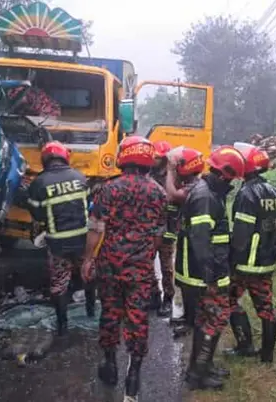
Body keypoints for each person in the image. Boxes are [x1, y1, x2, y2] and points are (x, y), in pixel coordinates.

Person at [81, 136, 167, 401]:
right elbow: (158, 234)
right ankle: (134, 375)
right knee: (138, 318)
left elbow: (95, 229)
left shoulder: (108, 189)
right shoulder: (159, 193)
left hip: (110, 265)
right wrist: (145, 255)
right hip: (140, 268)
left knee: (110, 314)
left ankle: (110, 364)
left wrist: (87, 259)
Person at [179, 146, 245, 390]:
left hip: (210, 270)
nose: (231, 184)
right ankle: (198, 375)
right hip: (207, 273)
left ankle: (202, 366)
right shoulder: (206, 197)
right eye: (231, 179)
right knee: (214, 321)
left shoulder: (209, 193)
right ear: (224, 174)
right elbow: (200, 240)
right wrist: (211, 277)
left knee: (205, 321)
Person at [20, 141, 89, 336]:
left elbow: (37, 214)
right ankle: (92, 310)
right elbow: (87, 205)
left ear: (45, 160)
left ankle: (62, 326)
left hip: (57, 243)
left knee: (59, 283)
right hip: (83, 240)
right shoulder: (80, 177)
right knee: (88, 274)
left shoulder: (39, 183)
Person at [223, 143, 276, 363]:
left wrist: (230, 261)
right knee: (266, 307)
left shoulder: (246, 194)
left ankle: (245, 345)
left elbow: (240, 236)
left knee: (229, 301)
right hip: (266, 262)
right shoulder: (275, 192)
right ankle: (267, 355)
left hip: (245, 264)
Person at [165, 147, 207, 337]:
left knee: (191, 283)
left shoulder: (194, 186)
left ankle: (193, 322)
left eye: (180, 164)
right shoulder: (191, 182)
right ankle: (188, 317)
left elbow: (172, 195)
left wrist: (170, 170)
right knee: (184, 281)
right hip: (186, 238)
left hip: (193, 241)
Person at [150, 140, 176, 317]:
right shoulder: (149, 173)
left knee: (166, 266)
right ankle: (154, 296)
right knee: (148, 263)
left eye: (158, 158)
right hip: (151, 227)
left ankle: (168, 298)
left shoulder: (173, 176)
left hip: (168, 227)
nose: (154, 160)